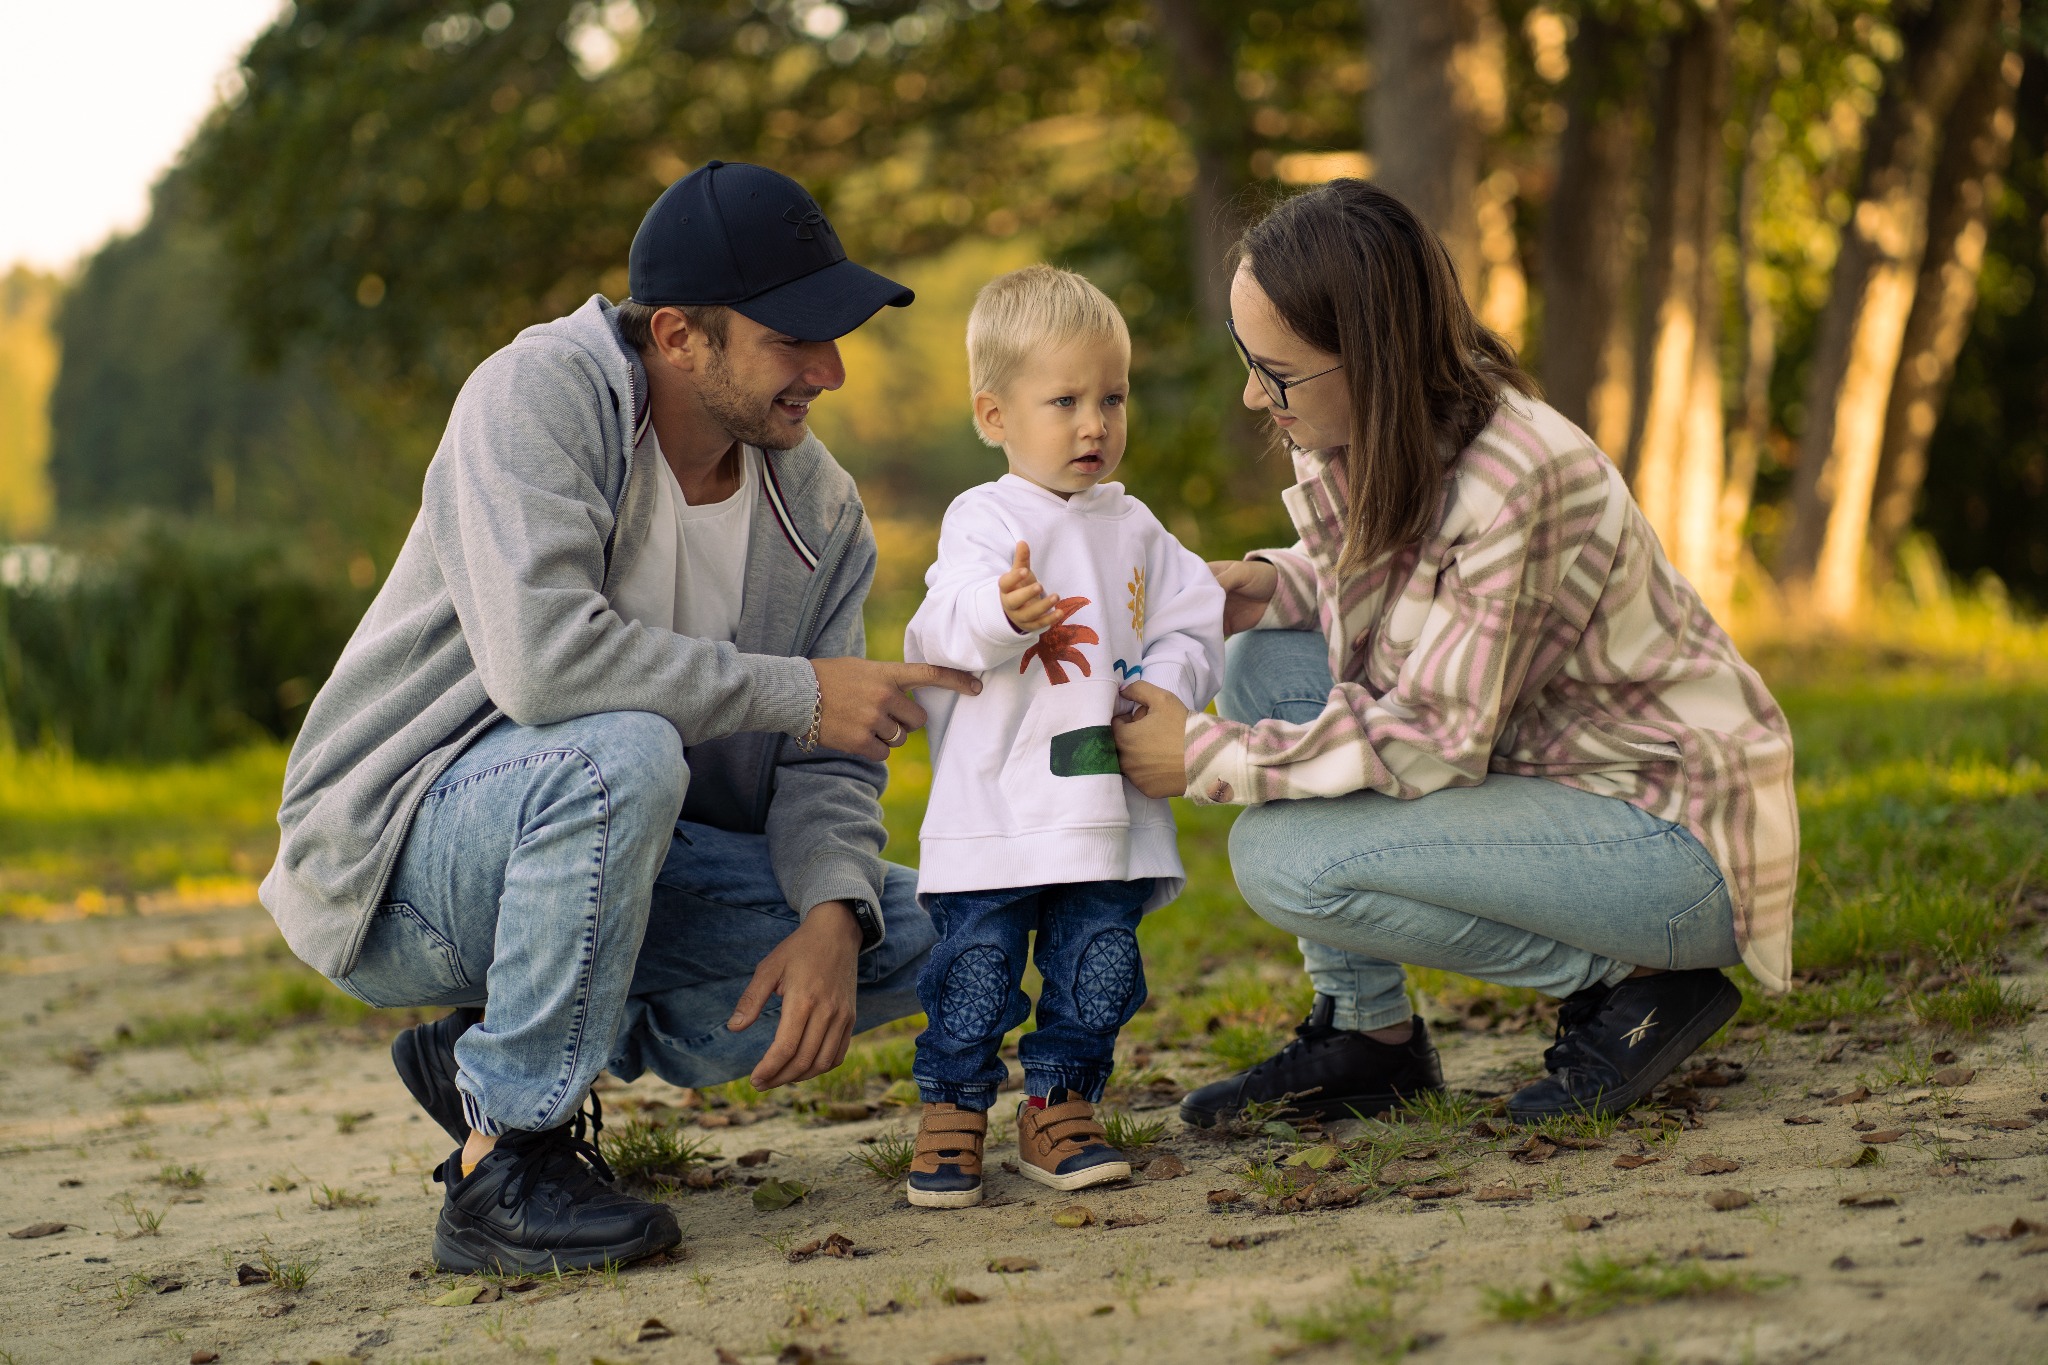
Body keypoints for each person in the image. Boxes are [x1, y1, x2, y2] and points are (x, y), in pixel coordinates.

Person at [260, 161, 980, 1273]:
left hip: (616, 859)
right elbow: (545, 666)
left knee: (938, 930)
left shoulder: (822, 506)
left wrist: (834, 911)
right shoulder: (536, 396)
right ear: (681, 336)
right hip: (399, 862)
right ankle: (505, 1165)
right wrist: (794, 693)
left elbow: (825, 756)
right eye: (794, 337)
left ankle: (492, 1052)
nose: (829, 370)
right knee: (618, 753)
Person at [1111, 180, 1798, 1126]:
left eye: (1275, 372)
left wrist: (1202, 755)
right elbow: (1406, 595)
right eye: (1248, 359)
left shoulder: (1521, 475)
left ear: (1371, 356)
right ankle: (1368, 1038)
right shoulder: (1363, 425)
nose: (1251, 393)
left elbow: (1431, 736)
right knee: (1266, 658)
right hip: (1549, 772)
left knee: (1284, 856)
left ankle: (1648, 977)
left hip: (1669, 833)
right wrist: (1274, 585)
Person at [897, 266, 1225, 1206]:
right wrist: (1001, 614)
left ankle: (1060, 1100)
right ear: (994, 414)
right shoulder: (985, 519)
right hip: (999, 805)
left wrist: (1163, 686)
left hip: (1105, 804)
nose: (1095, 423)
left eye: (1112, 398)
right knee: (978, 965)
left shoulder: (1138, 526)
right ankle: (954, 1103)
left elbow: (1192, 619)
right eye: (1066, 400)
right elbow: (938, 629)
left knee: (1098, 965)